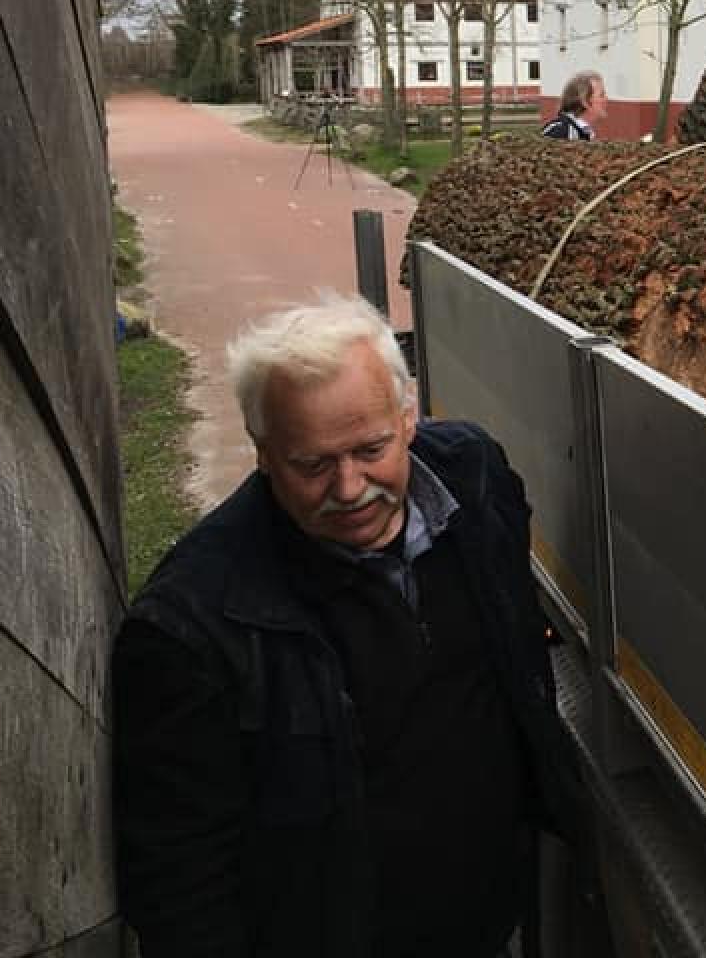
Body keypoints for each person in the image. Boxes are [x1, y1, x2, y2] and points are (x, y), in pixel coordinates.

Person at [112, 294, 604, 957]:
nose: (349, 488)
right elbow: (179, 877)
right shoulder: (191, 628)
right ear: (263, 452)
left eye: (370, 449)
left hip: (488, 918)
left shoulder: (476, 479)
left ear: (408, 419)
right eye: (311, 465)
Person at [542, 70, 606, 140]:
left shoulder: (585, 131)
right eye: (601, 95)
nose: (606, 99)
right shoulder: (559, 131)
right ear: (585, 101)